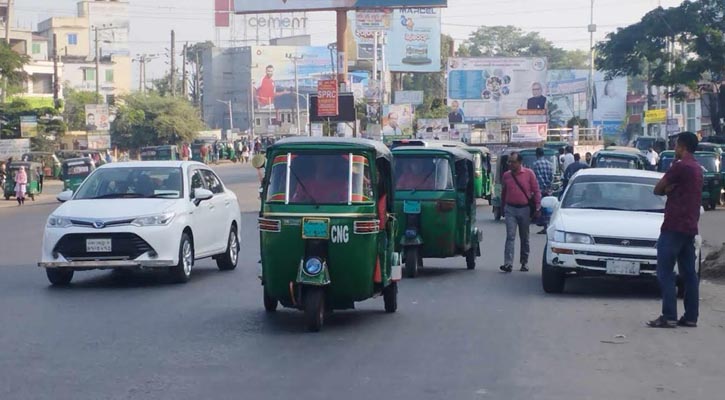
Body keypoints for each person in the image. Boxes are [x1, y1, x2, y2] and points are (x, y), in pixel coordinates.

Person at [648, 132, 703, 328]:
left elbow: (658, 188)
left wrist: (667, 188)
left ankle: (669, 315)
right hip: (690, 226)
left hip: (673, 226)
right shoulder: (697, 168)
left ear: (682, 146)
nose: (675, 149)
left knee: (665, 271)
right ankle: (690, 317)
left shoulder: (680, 167)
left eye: (677, 146)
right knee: (689, 274)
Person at [500, 152, 541, 273]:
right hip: (510, 209)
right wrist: (502, 208)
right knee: (510, 236)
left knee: (524, 237)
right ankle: (508, 263)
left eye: (512, 162)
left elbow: (536, 190)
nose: (510, 164)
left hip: (524, 209)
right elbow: (504, 193)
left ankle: (524, 262)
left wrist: (538, 207)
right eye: (509, 162)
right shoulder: (506, 176)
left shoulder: (529, 174)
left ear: (519, 162)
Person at [532, 147, 554, 234]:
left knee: (542, 208)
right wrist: (548, 187)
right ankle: (547, 225)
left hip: (540, 190)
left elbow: (537, 178)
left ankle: (545, 226)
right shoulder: (549, 164)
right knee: (547, 208)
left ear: (537, 154)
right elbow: (551, 176)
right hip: (548, 189)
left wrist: (542, 187)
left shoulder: (536, 164)